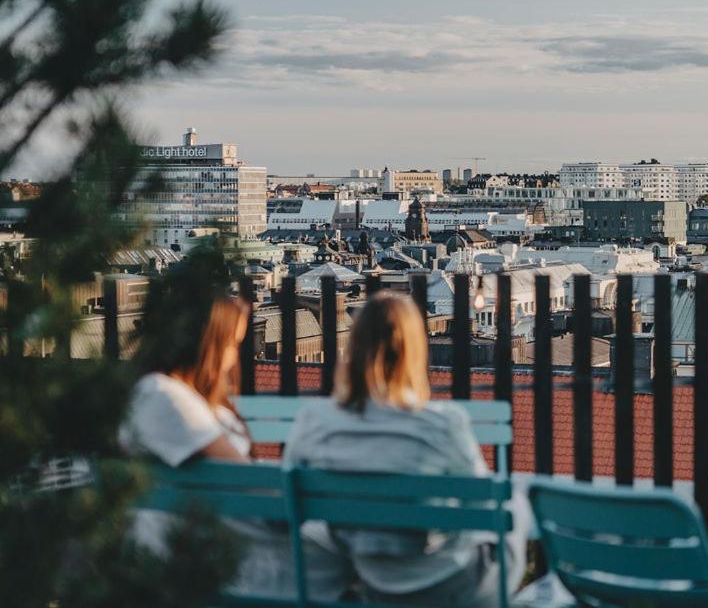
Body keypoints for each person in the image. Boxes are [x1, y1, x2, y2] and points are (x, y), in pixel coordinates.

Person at [120, 254, 347, 601]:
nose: (232, 358)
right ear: (205, 346)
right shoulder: (163, 397)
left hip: (231, 547)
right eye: (229, 345)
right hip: (249, 563)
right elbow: (254, 487)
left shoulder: (176, 398)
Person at [283, 292, 529, 607]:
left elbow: (293, 497)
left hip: (376, 582)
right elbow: (481, 506)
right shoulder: (442, 423)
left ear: (354, 347)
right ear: (414, 350)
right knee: (518, 500)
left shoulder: (314, 420)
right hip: (452, 586)